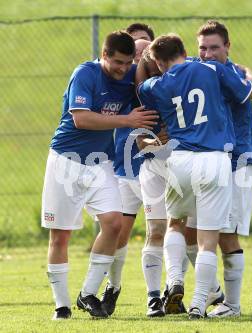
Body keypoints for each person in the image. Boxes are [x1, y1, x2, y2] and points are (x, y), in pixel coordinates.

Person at [137, 33, 252, 319]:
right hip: (214, 159)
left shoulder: (159, 84)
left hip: (179, 160)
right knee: (208, 239)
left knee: (175, 224)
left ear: (158, 62)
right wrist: (248, 74)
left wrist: (145, 61)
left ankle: (175, 279)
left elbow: (140, 87)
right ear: (186, 50)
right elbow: (244, 92)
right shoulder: (211, 69)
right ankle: (199, 303)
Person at [42, 30, 158, 320]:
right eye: (117, 62)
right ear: (104, 55)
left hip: (100, 162)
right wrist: (128, 120)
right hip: (65, 160)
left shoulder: (131, 74)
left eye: (128, 62)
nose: (122, 68)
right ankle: (62, 306)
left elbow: (152, 64)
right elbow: (81, 119)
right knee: (60, 237)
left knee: (114, 223)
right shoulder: (85, 73)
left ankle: (88, 293)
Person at [185, 20, 252, 318]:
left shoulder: (234, 73)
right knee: (191, 230)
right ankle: (213, 290)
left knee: (227, 235)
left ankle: (233, 305)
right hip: (205, 162)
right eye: (203, 47)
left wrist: (248, 74)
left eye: (215, 47)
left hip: (236, 161)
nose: (208, 53)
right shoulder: (195, 68)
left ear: (228, 46)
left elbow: (250, 91)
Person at [100, 23, 156, 317]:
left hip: (156, 167)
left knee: (162, 231)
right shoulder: (117, 82)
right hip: (124, 167)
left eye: (145, 45)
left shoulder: (162, 81)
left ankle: (161, 293)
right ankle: (114, 287)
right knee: (118, 233)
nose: (139, 51)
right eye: (134, 47)